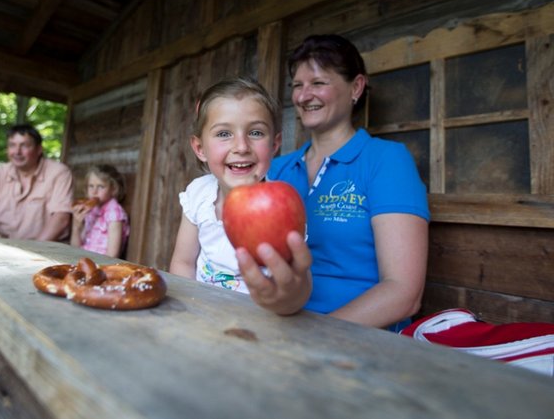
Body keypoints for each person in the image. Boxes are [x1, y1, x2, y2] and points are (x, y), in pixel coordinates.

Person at [236, 34, 430, 331]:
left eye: (318, 83)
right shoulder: (276, 168)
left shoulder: (386, 160)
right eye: (297, 86)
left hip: (359, 337)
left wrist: (317, 335)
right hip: (278, 323)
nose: (303, 96)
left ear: (356, 87)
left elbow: (404, 294)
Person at [169, 77, 282, 293]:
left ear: (274, 144)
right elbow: (183, 262)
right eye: (224, 134)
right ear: (200, 148)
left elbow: (287, 286)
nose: (241, 146)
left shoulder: (280, 207)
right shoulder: (199, 194)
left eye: (255, 133)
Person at [70, 164, 130, 259]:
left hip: (100, 265)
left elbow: (112, 255)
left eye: (101, 187)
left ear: (113, 189)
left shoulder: (114, 213)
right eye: (91, 186)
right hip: (82, 261)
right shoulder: (91, 209)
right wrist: (76, 226)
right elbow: (74, 248)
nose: (94, 192)